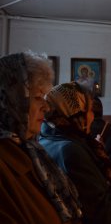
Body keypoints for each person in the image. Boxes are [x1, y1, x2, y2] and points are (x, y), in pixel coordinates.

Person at [0, 52, 82, 224]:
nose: (46, 107)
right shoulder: (6, 162)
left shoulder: (32, 149)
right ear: (12, 102)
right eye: (37, 98)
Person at [39, 82, 111, 224]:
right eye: (89, 111)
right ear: (75, 114)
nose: (92, 117)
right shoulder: (71, 151)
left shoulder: (48, 137)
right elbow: (103, 213)